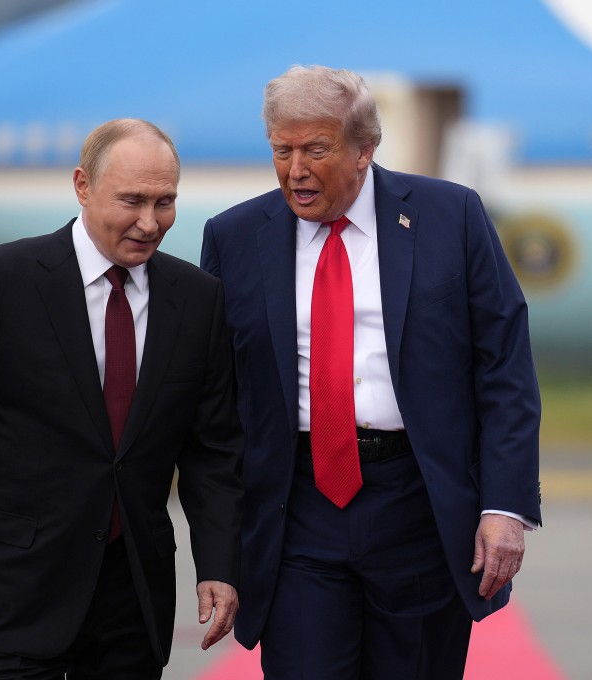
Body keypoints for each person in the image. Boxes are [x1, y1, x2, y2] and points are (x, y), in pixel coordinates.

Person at [200, 66, 541, 679]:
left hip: (417, 504)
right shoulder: (235, 237)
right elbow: (215, 403)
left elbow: (504, 367)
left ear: (365, 150)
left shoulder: (451, 217)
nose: (295, 170)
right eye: (282, 150)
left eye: (315, 150)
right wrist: (219, 552)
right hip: (296, 509)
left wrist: (505, 507)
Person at [0, 118, 243, 679]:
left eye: (164, 202)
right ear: (82, 186)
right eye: (132, 201)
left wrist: (220, 565)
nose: (149, 222)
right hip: (15, 586)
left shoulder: (199, 299)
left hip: (133, 594)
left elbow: (213, 454)